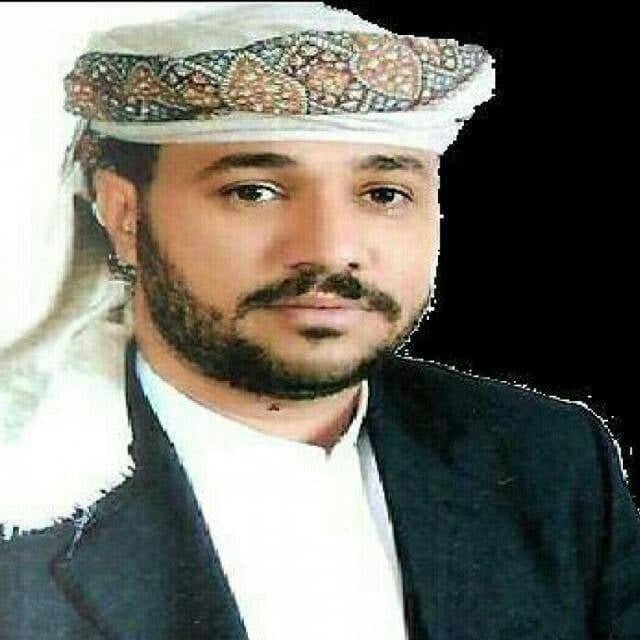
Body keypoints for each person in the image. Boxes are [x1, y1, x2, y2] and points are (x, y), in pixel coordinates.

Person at [0, 3, 638, 639]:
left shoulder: (548, 460)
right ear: (124, 214)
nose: (330, 250)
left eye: (383, 194)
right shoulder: (21, 494)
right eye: (254, 191)